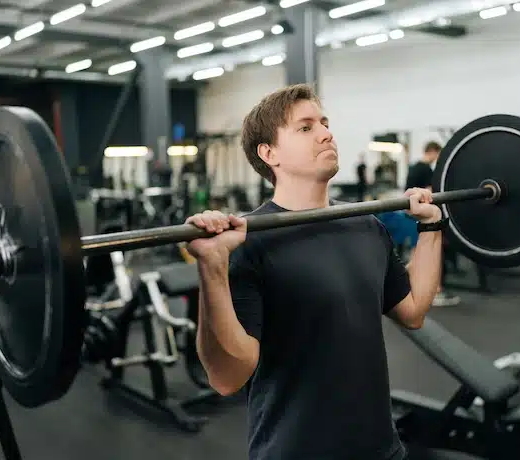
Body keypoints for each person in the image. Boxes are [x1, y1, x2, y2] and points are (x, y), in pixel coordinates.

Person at [185, 84, 444, 460]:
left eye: (324, 123)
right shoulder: (248, 241)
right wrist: (212, 267)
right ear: (268, 153)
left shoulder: (365, 226)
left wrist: (431, 227)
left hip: (381, 450)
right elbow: (227, 377)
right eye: (305, 128)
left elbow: (414, 310)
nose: (326, 133)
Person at [401, 141, 461, 307]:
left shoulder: (414, 167)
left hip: (410, 214)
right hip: (421, 215)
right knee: (431, 252)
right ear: (433, 152)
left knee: (417, 253)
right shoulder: (426, 169)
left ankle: (417, 291)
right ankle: (434, 292)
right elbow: (431, 192)